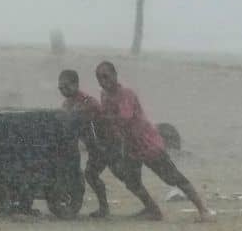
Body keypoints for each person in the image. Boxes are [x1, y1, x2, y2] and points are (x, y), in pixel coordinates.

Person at [95, 61, 214, 221]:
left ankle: (203, 210)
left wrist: (104, 118)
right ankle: (153, 210)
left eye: (106, 77)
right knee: (131, 181)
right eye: (99, 79)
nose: (103, 82)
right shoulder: (104, 95)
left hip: (147, 143)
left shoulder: (126, 94)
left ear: (115, 76)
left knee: (173, 178)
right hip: (130, 146)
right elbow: (109, 121)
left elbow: (124, 118)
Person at [58, 69, 133, 218]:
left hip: (108, 143)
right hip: (96, 146)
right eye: (60, 88)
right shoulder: (67, 104)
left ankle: (145, 203)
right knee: (93, 175)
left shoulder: (87, 102)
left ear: (76, 84)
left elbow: (96, 125)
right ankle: (105, 208)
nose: (63, 91)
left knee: (121, 176)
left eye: (66, 87)